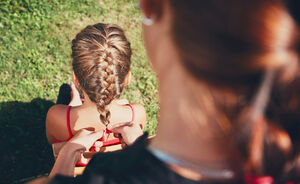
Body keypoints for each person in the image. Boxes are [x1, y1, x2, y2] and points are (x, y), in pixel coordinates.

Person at [30, 0, 300, 183]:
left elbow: (53, 137)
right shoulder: (283, 165)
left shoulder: (105, 177)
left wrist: (68, 152)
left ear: (153, 7)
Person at [45, 23, 147, 161]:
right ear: (127, 78)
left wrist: (71, 108)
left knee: (65, 90)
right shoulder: (137, 114)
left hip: (74, 166)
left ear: (76, 78)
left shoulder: (56, 116)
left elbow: (52, 142)